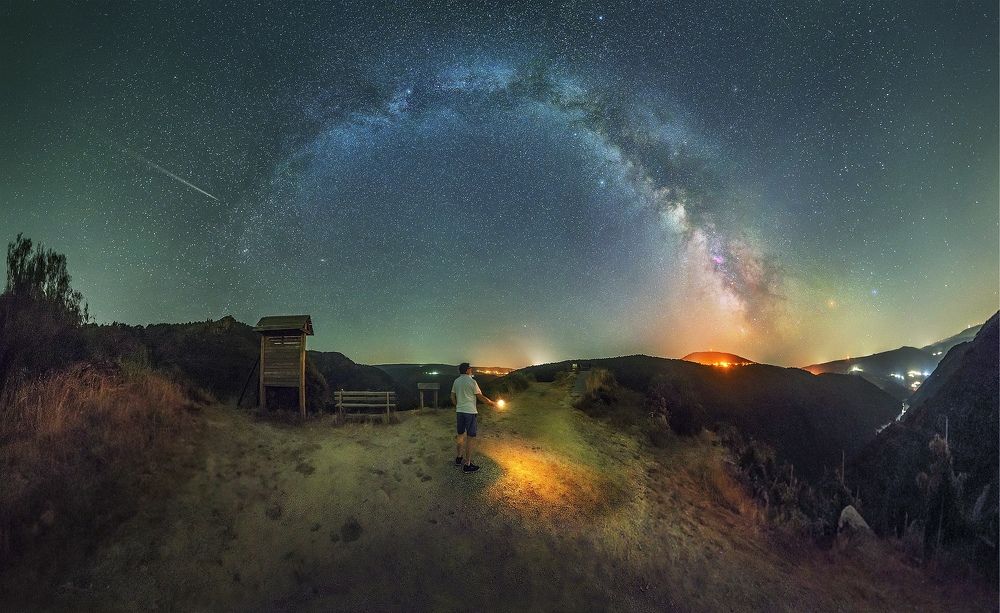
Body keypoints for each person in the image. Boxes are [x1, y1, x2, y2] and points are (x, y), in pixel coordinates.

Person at [451, 362, 497, 473]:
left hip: (460, 412)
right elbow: (480, 396)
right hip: (470, 412)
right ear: (467, 370)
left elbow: (452, 396)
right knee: (470, 438)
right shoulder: (472, 382)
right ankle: (467, 464)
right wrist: (491, 403)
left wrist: (457, 405)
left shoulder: (456, 381)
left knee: (460, 435)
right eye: (470, 368)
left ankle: (458, 458)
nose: (471, 370)